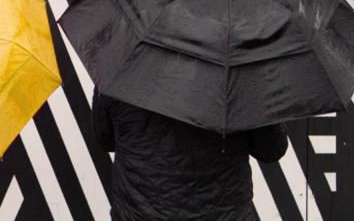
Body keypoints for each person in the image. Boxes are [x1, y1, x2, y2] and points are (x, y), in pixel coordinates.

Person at [92, 90, 288, 221]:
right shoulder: (242, 72)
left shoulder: (119, 65)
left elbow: (105, 139)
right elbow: (271, 149)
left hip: (140, 213)